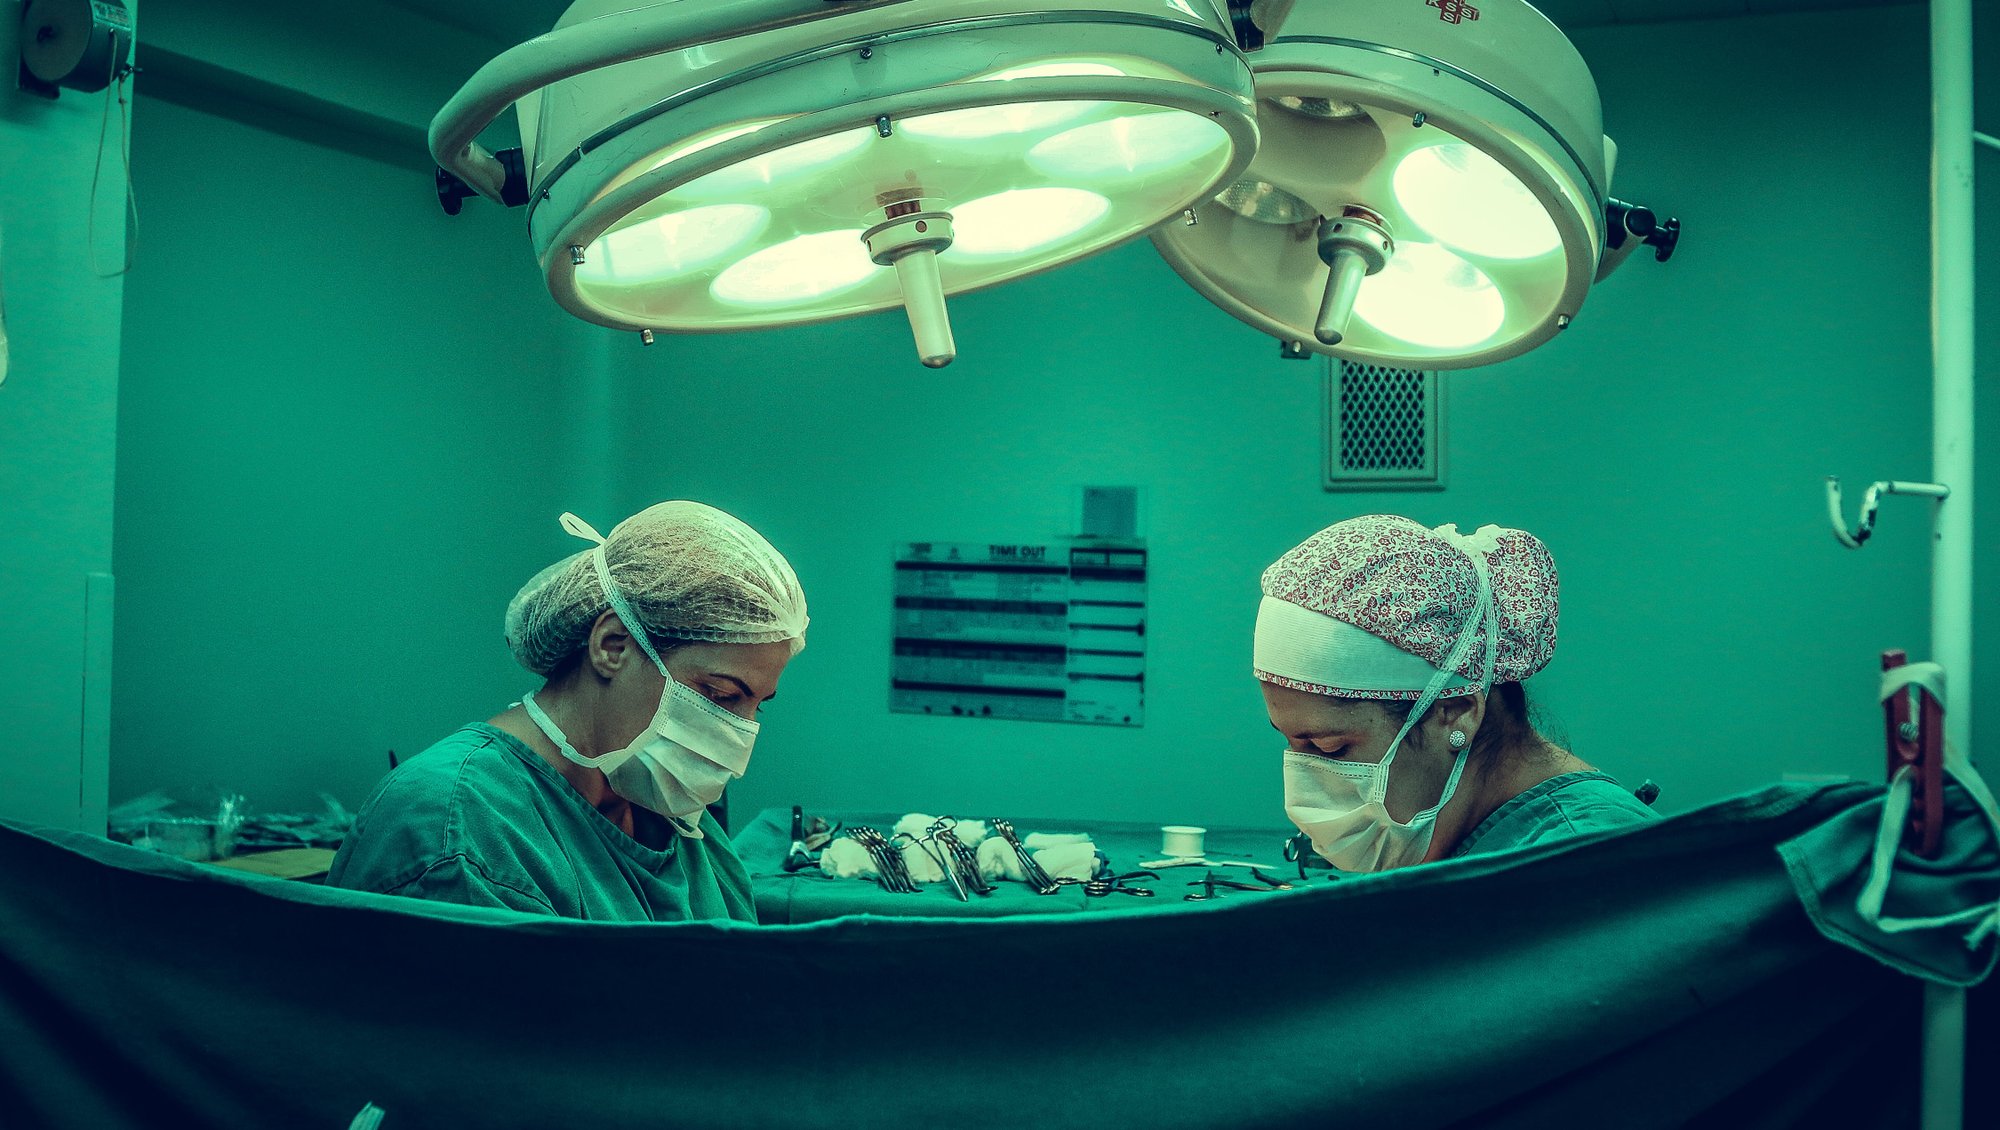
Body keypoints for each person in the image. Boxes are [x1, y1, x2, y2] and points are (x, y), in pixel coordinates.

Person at [328, 501, 808, 921]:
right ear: (613, 645)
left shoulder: (674, 822)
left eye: (757, 707)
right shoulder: (454, 826)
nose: (737, 739)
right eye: (720, 695)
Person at [1254, 514, 1654, 872]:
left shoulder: (1586, 863)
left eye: (1330, 748)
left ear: (1456, 712)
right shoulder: (1449, 839)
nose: (1301, 794)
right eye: (1293, 744)